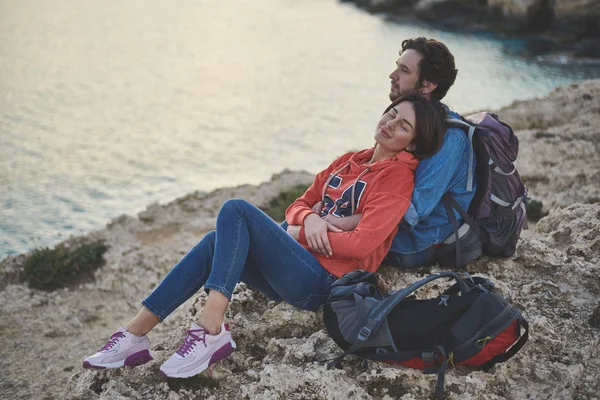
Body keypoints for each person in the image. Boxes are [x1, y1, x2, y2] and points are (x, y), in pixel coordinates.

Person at [82, 93, 448, 378]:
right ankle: (135, 335)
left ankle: (211, 328)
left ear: (413, 144)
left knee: (236, 209)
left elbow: (363, 244)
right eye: (391, 114)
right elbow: (298, 204)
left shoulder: (397, 179)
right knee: (214, 242)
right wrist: (310, 221)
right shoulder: (349, 160)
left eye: (403, 126)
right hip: (295, 266)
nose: (390, 124)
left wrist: (298, 230)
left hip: (324, 282)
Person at [298, 38, 474, 268]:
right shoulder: (409, 118)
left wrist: (344, 222)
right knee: (298, 226)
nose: (392, 75)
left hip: (414, 243)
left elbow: (414, 211)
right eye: (397, 66)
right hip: (382, 229)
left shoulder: (450, 138)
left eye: (404, 70)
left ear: (428, 85)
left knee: (298, 235)